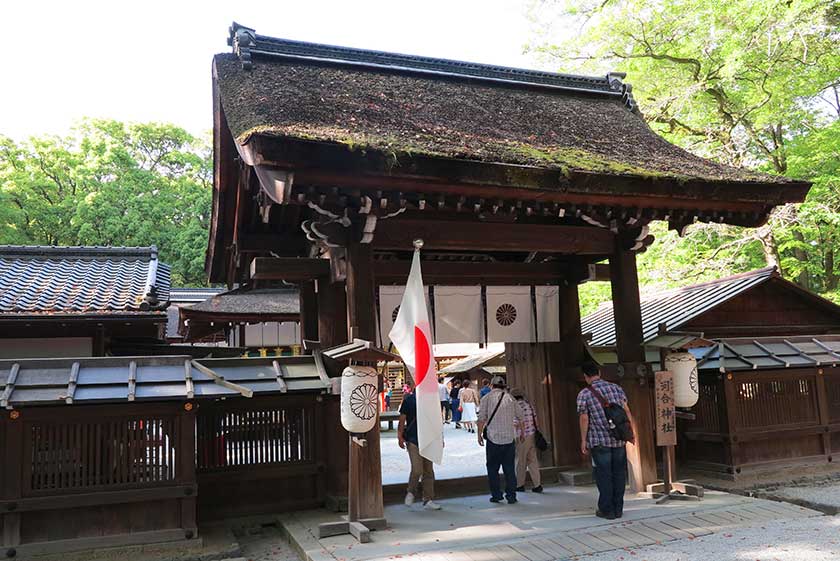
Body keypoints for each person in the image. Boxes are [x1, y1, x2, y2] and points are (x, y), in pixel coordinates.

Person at [576, 362, 635, 520]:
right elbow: (626, 411)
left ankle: (606, 510)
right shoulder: (616, 388)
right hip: (618, 440)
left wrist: (583, 440)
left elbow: (584, 418)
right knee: (619, 475)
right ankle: (618, 508)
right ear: (599, 373)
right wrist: (631, 433)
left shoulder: (585, 394)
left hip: (599, 441)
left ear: (586, 377)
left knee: (604, 475)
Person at [477, 375, 521, 504]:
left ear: (492, 385)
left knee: (492, 468)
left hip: (493, 439)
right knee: (509, 468)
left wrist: (479, 435)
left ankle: (496, 495)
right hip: (509, 438)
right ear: (503, 386)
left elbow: (481, 419)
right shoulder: (511, 398)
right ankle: (511, 495)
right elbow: (520, 416)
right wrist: (522, 432)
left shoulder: (486, 398)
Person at [398, 383, 442, 510]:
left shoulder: (431, 401)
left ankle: (428, 499)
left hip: (429, 438)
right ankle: (411, 491)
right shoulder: (409, 400)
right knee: (417, 469)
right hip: (413, 438)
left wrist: (440, 437)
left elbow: (437, 420)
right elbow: (402, 419)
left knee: (428, 470)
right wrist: (400, 436)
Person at [512, 388, 543, 493]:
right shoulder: (529, 405)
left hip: (522, 436)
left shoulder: (515, 407)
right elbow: (536, 420)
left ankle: (520, 485)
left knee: (520, 461)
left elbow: (516, 423)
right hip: (532, 435)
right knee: (532, 460)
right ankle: (537, 484)